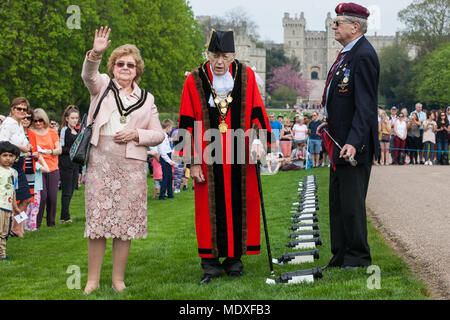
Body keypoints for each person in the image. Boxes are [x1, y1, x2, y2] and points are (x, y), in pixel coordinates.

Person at [175, 29, 273, 284]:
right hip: (207, 157)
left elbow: (257, 113)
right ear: (207, 53)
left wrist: (258, 142)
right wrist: (193, 161)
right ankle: (210, 265)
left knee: (240, 205)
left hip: (240, 156)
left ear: (233, 55)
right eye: (214, 55)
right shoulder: (194, 80)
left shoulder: (247, 77)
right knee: (207, 211)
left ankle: (234, 261)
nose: (219, 62)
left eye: (224, 56)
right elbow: (186, 121)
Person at [81, 26, 165, 294]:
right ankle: (92, 281)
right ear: (113, 66)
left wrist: (136, 133)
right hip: (101, 160)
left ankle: (118, 280)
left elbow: (159, 134)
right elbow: (88, 75)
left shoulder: (147, 98)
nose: (125, 67)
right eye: (120, 63)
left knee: (124, 226)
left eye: (130, 64)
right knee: (97, 224)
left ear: (137, 69)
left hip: (131, 166)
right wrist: (95, 52)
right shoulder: (102, 85)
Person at [321, 3, 379, 269]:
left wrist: (354, 141)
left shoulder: (363, 55)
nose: (333, 26)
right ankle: (341, 255)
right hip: (338, 143)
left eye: (338, 22)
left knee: (353, 206)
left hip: (353, 146)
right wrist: (327, 120)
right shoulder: (346, 55)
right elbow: (341, 99)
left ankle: (357, 258)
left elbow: (365, 106)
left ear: (355, 26)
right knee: (338, 204)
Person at [0, 97, 34, 237]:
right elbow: (2, 142)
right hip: (10, 164)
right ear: (12, 109)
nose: (22, 111)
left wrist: (27, 148)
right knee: (17, 198)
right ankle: (12, 228)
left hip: (19, 163)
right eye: (18, 108)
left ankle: (15, 227)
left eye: (24, 109)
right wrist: (22, 148)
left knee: (25, 198)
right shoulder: (9, 123)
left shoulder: (19, 124)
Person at [32, 108, 62, 229]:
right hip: (38, 169)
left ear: (45, 120)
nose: (38, 123)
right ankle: (37, 224)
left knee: (52, 197)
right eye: (35, 121)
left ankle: (51, 223)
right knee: (42, 197)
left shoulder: (52, 132)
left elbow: (59, 149)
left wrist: (47, 151)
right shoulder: (30, 132)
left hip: (53, 168)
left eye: (40, 120)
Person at [58, 105, 80, 223]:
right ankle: (64, 217)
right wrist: (73, 149)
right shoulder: (64, 130)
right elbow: (62, 148)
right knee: (66, 191)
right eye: (72, 118)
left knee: (72, 189)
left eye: (76, 118)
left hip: (75, 164)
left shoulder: (76, 131)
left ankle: (65, 215)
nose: (75, 120)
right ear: (67, 118)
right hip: (66, 163)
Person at [0, 141, 20, 261]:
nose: (8, 158)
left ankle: (2, 254)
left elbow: (13, 190)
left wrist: (15, 206)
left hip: (7, 207)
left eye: (11, 156)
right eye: (4, 155)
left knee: (5, 232)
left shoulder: (14, 173)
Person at [157, 119, 175, 200]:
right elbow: (162, 151)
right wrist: (169, 160)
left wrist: (172, 153)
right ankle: (162, 195)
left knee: (170, 177)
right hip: (165, 158)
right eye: (170, 128)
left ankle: (170, 194)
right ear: (167, 127)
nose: (171, 130)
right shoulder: (162, 136)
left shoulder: (166, 135)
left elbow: (168, 148)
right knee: (166, 177)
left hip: (168, 156)